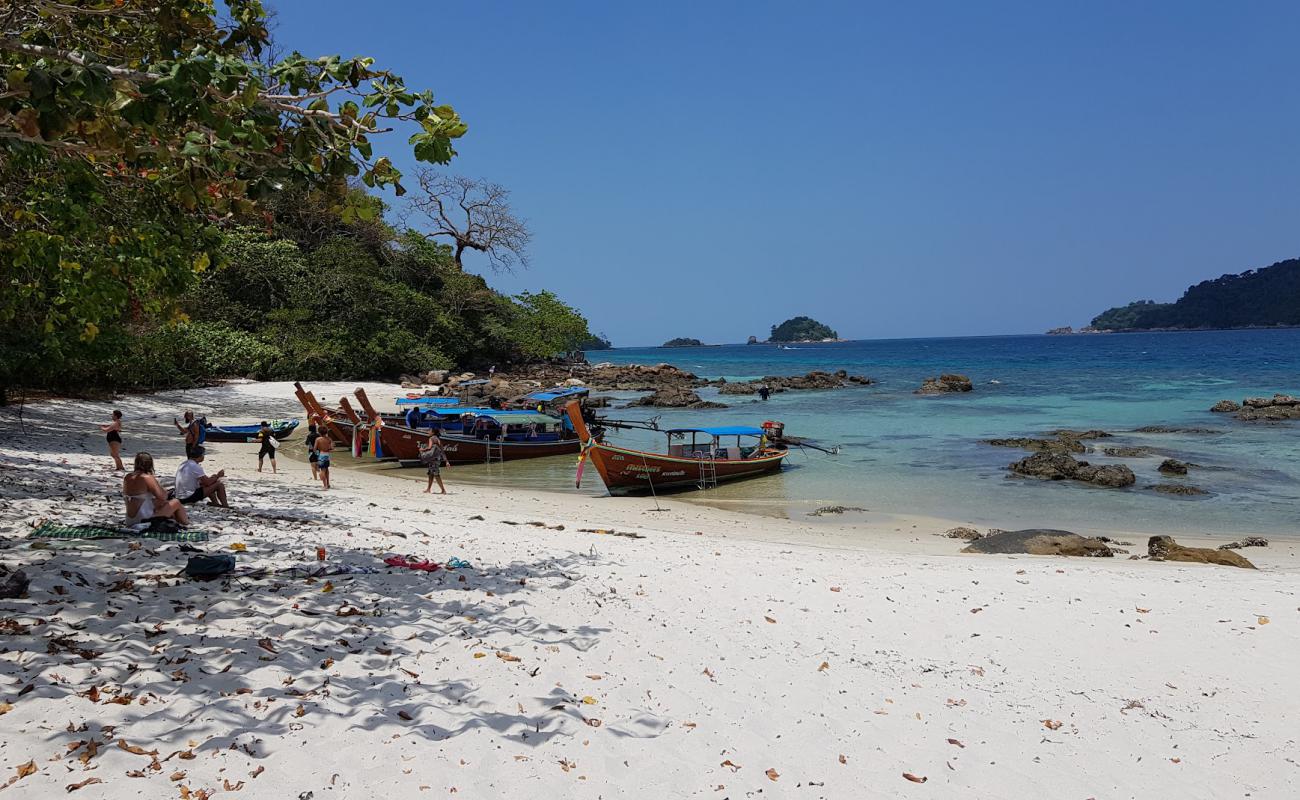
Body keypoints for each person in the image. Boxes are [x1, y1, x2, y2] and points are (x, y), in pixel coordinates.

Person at [123, 452, 189, 526]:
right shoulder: (147, 478)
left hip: (130, 521)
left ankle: (176, 521)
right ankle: (186, 523)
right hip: (144, 520)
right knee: (176, 502)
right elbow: (163, 496)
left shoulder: (128, 477)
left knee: (158, 502)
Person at [306, 416, 321, 481]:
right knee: (318, 465)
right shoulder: (318, 435)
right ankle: (321, 477)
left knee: (313, 465)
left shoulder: (309, 436)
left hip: (311, 451)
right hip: (318, 451)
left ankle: (315, 478)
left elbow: (306, 443)